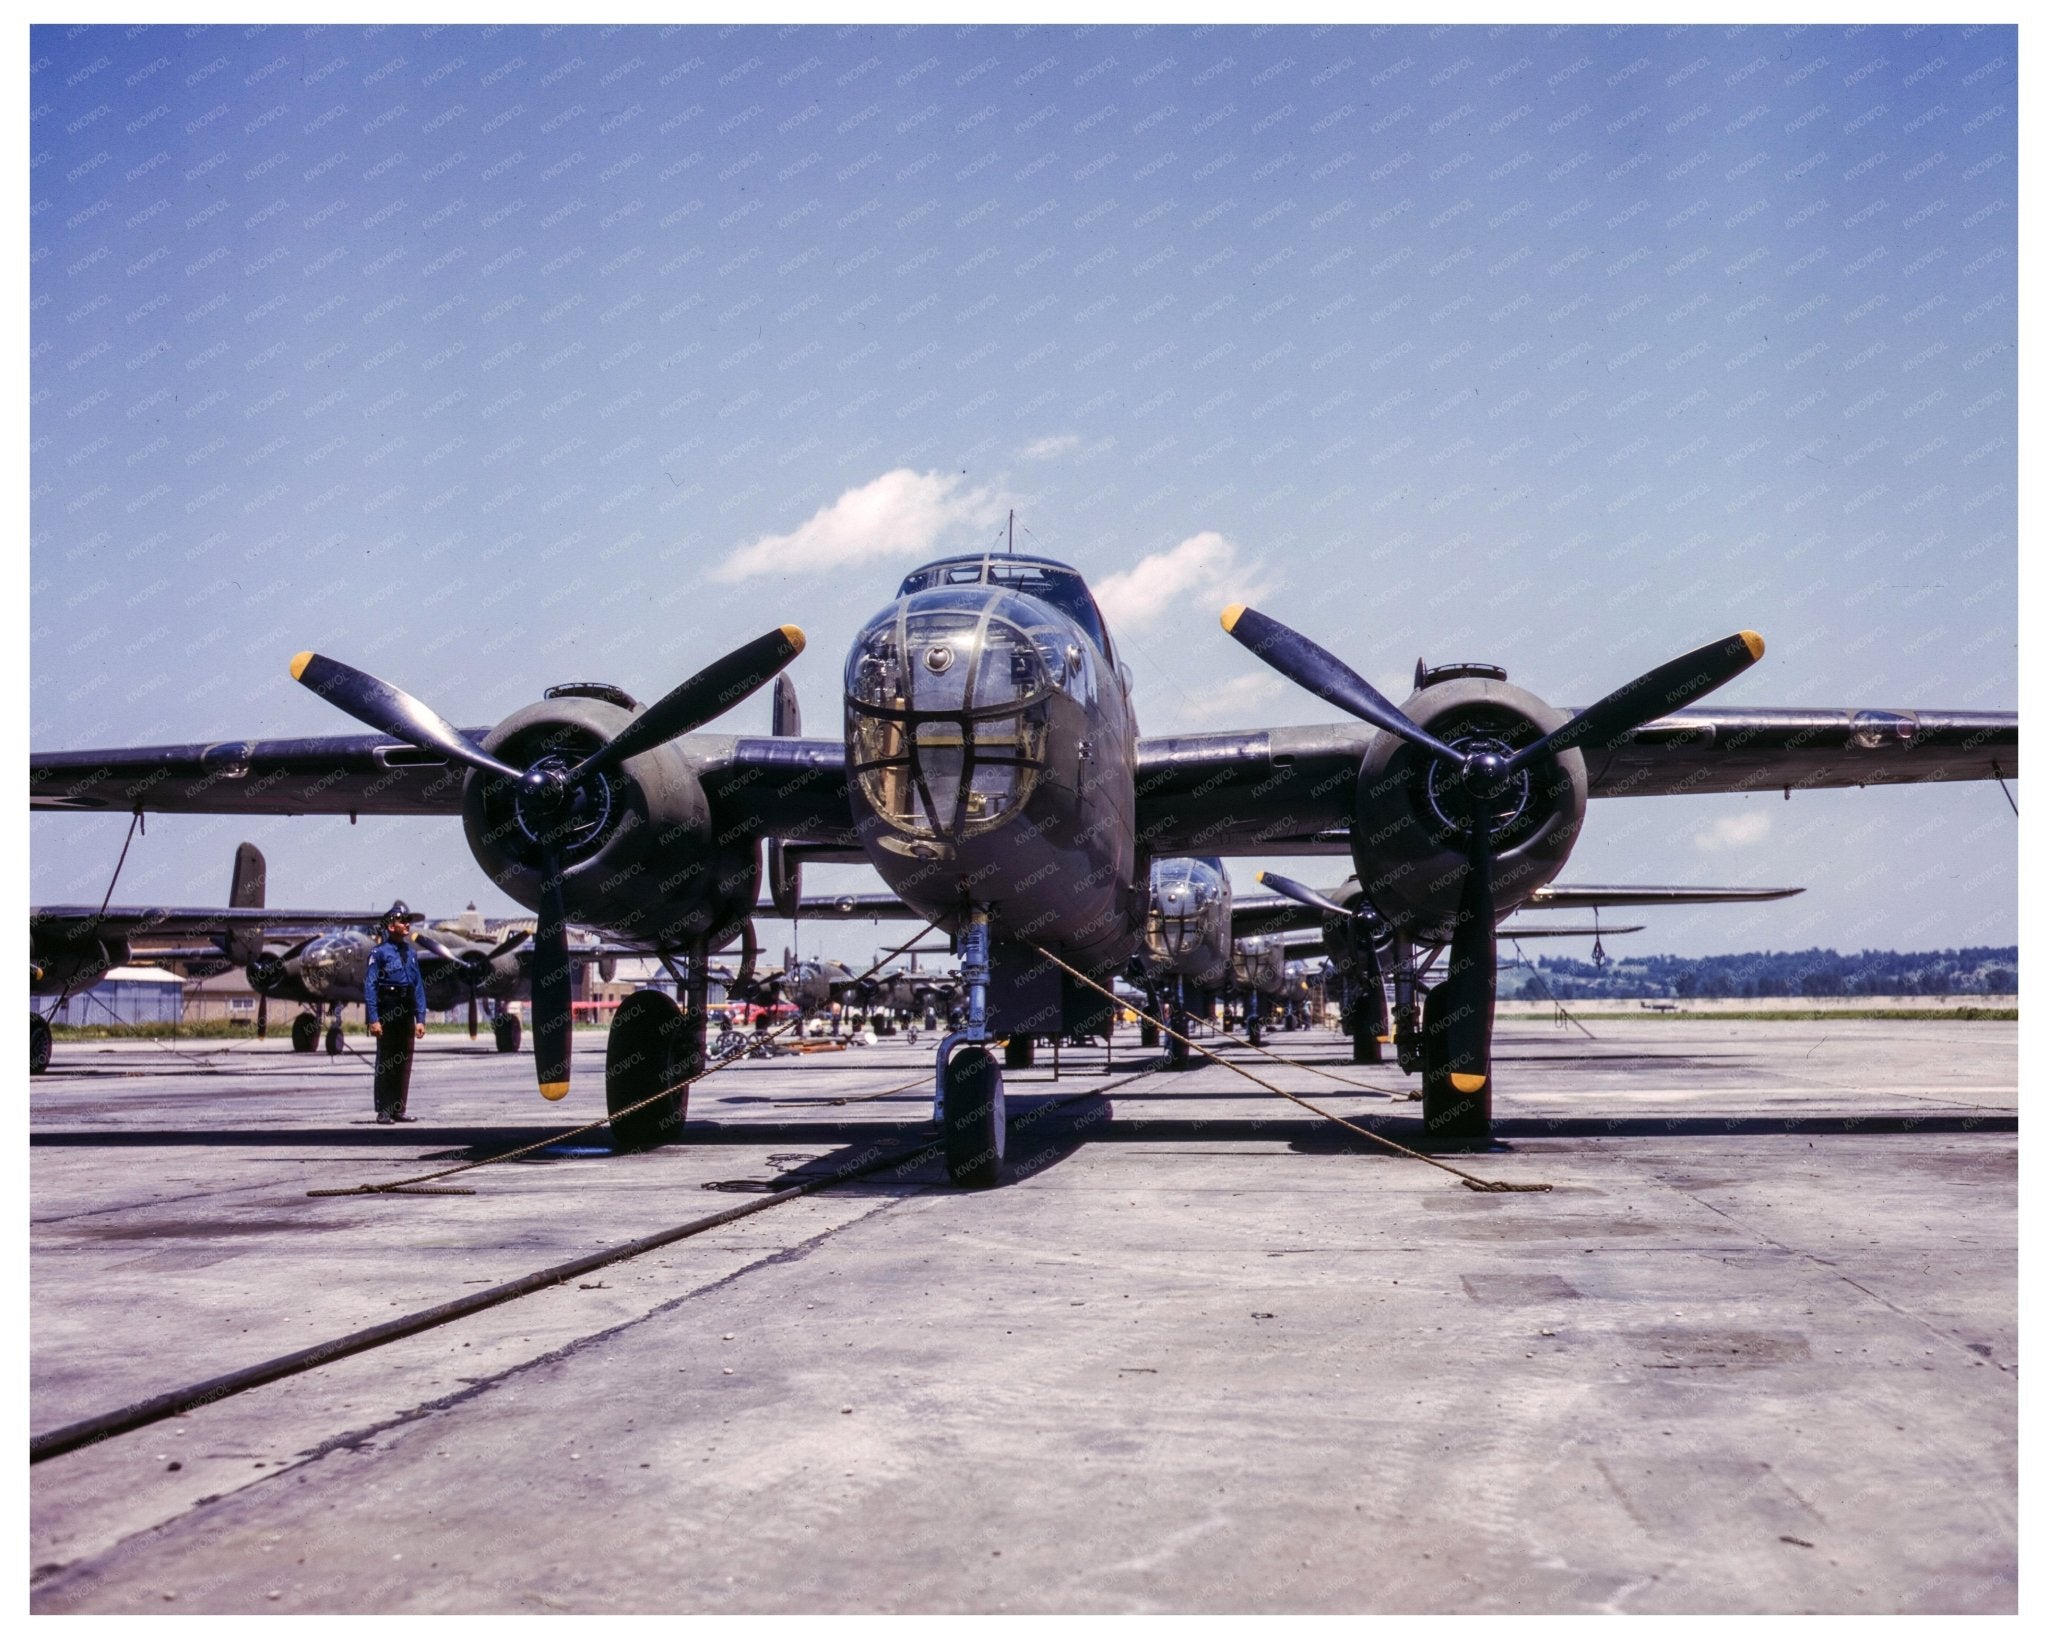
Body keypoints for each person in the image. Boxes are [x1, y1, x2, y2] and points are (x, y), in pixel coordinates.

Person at [364, 903, 429, 1124]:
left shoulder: (410, 953)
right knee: (387, 1061)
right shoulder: (379, 953)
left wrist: (420, 1018)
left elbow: (418, 986)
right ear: (391, 926)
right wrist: (374, 1018)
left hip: (406, 1008)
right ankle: (383, 1110)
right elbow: (370, 986)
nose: (407, 924)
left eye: (408, 920)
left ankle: (398, 1109)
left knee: (404, 1061)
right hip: (388, 1007)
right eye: (403, 921)